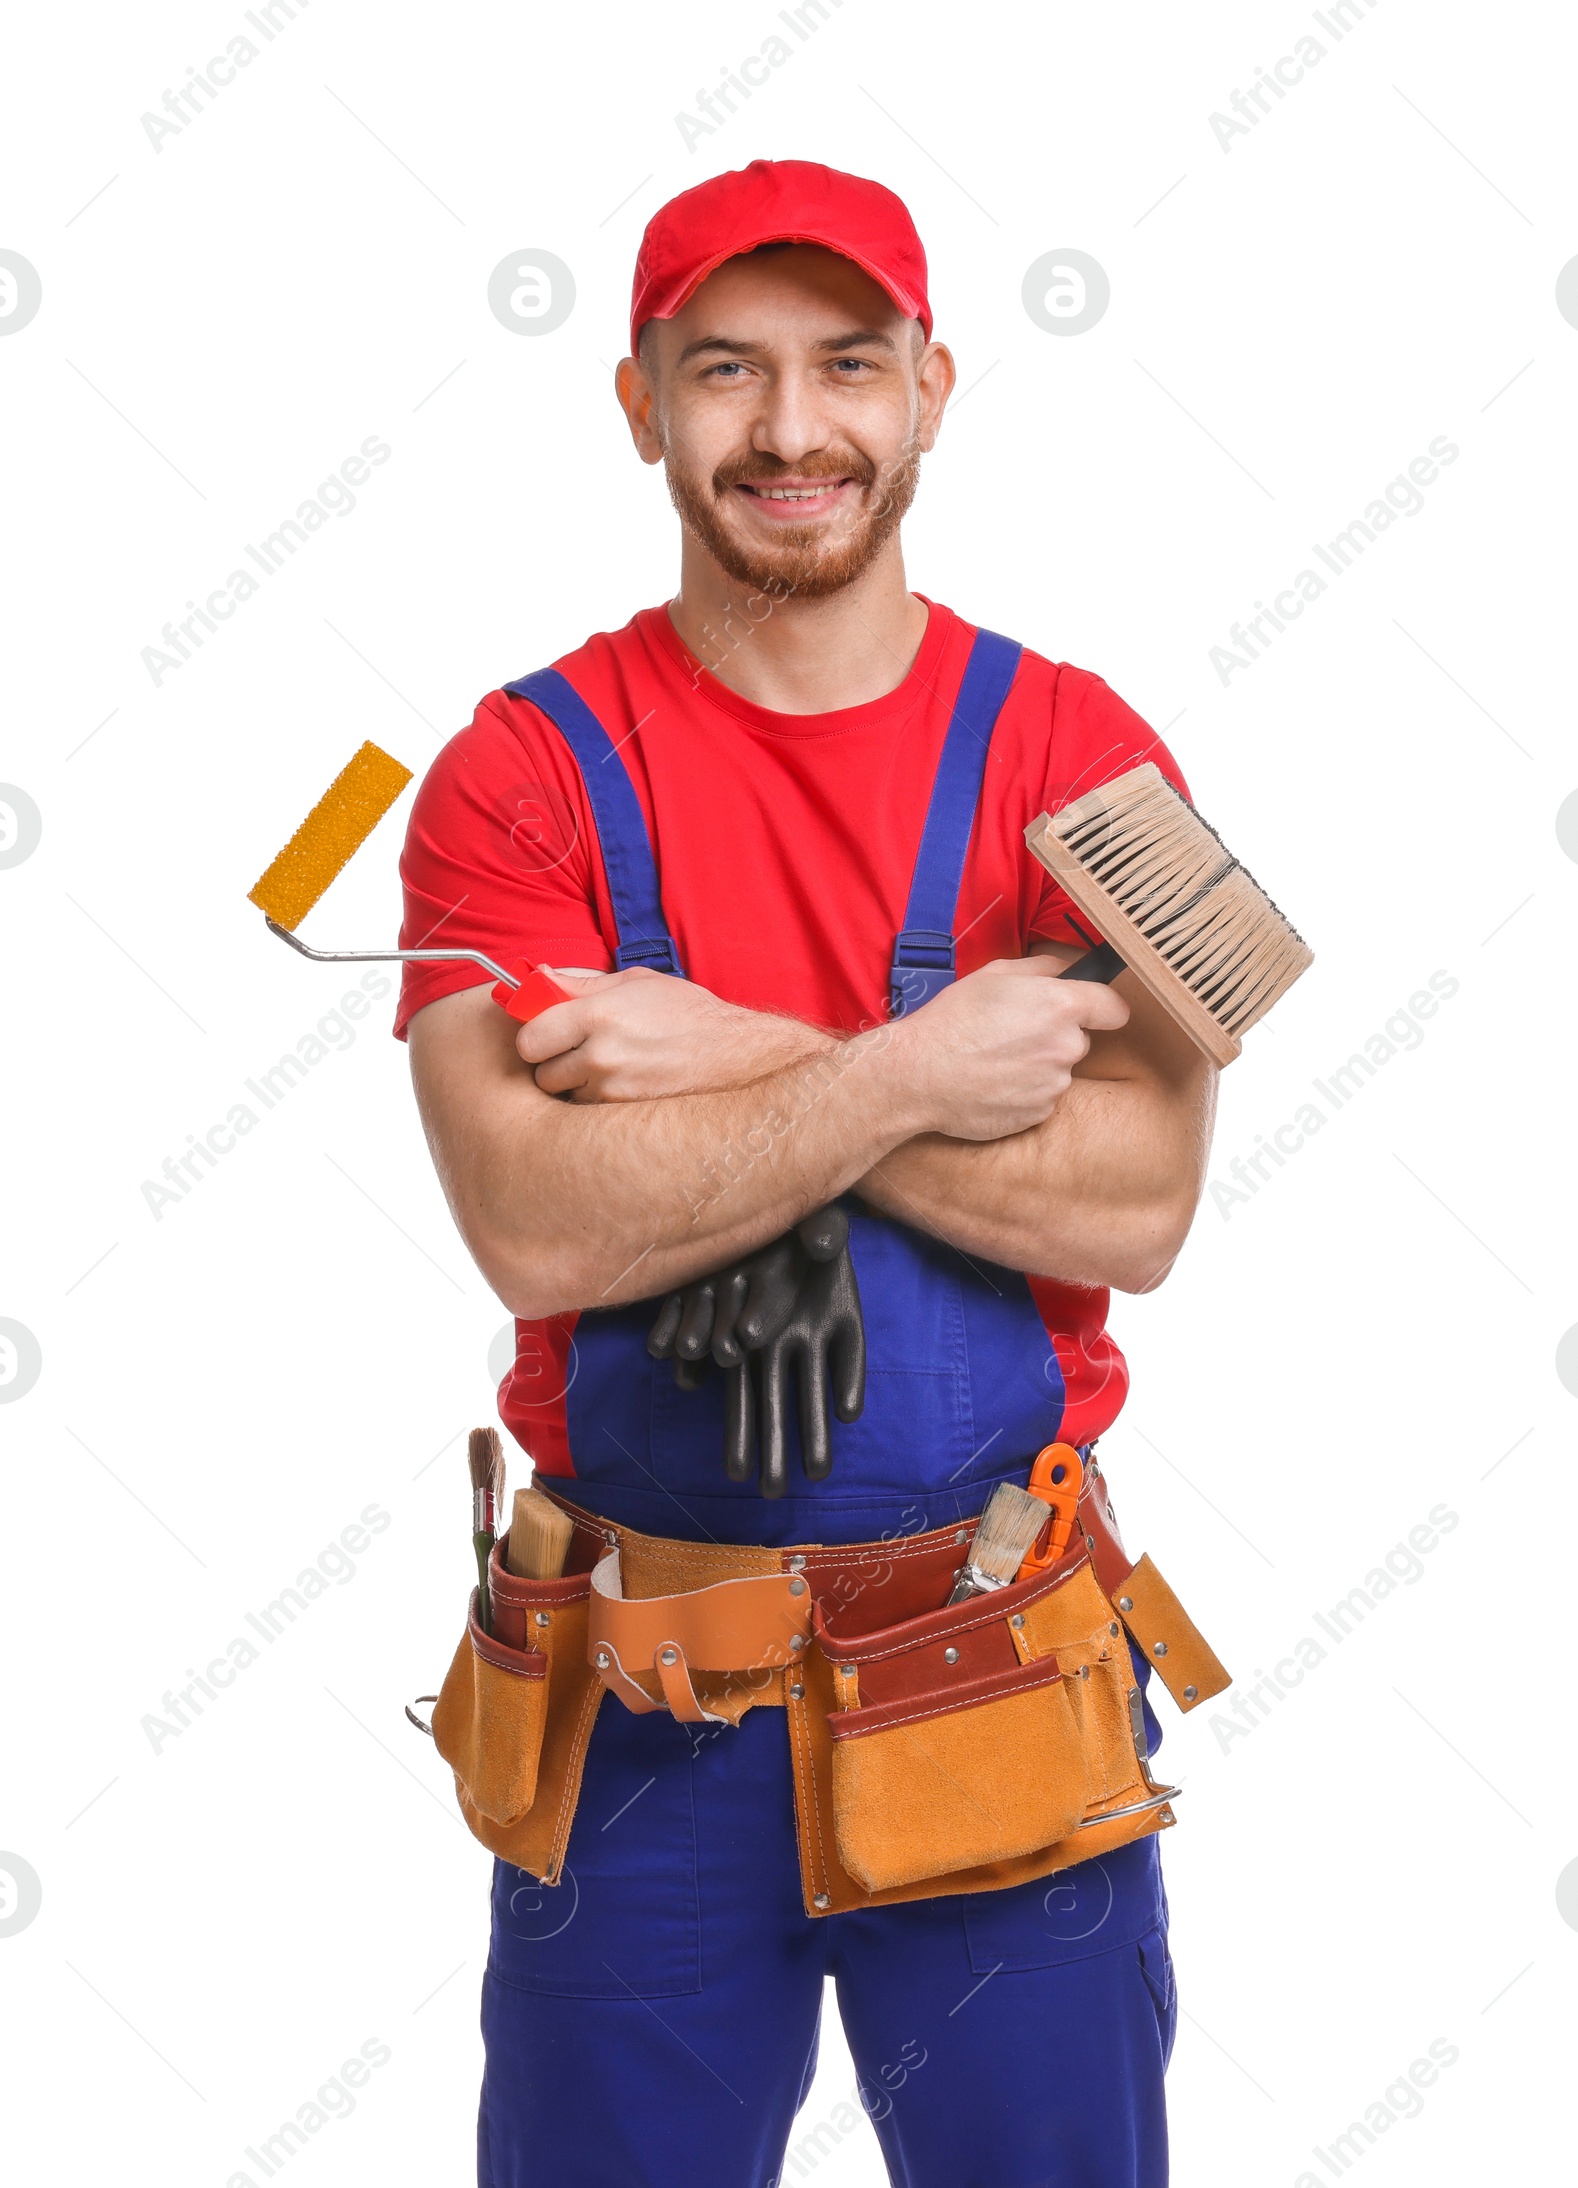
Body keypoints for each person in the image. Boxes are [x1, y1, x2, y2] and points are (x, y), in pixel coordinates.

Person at [398, 158, 1215, 2188]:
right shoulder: (511, 773)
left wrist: (749, 1060)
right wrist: (939, 1074)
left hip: (992, 1667)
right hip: (634, 1704)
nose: (788, 429)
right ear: (635, 401)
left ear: (931, 386)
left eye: (846, 364)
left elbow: (1138, 1203)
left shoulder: (1086, 751)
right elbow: (529, 1209)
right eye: (723, 371)